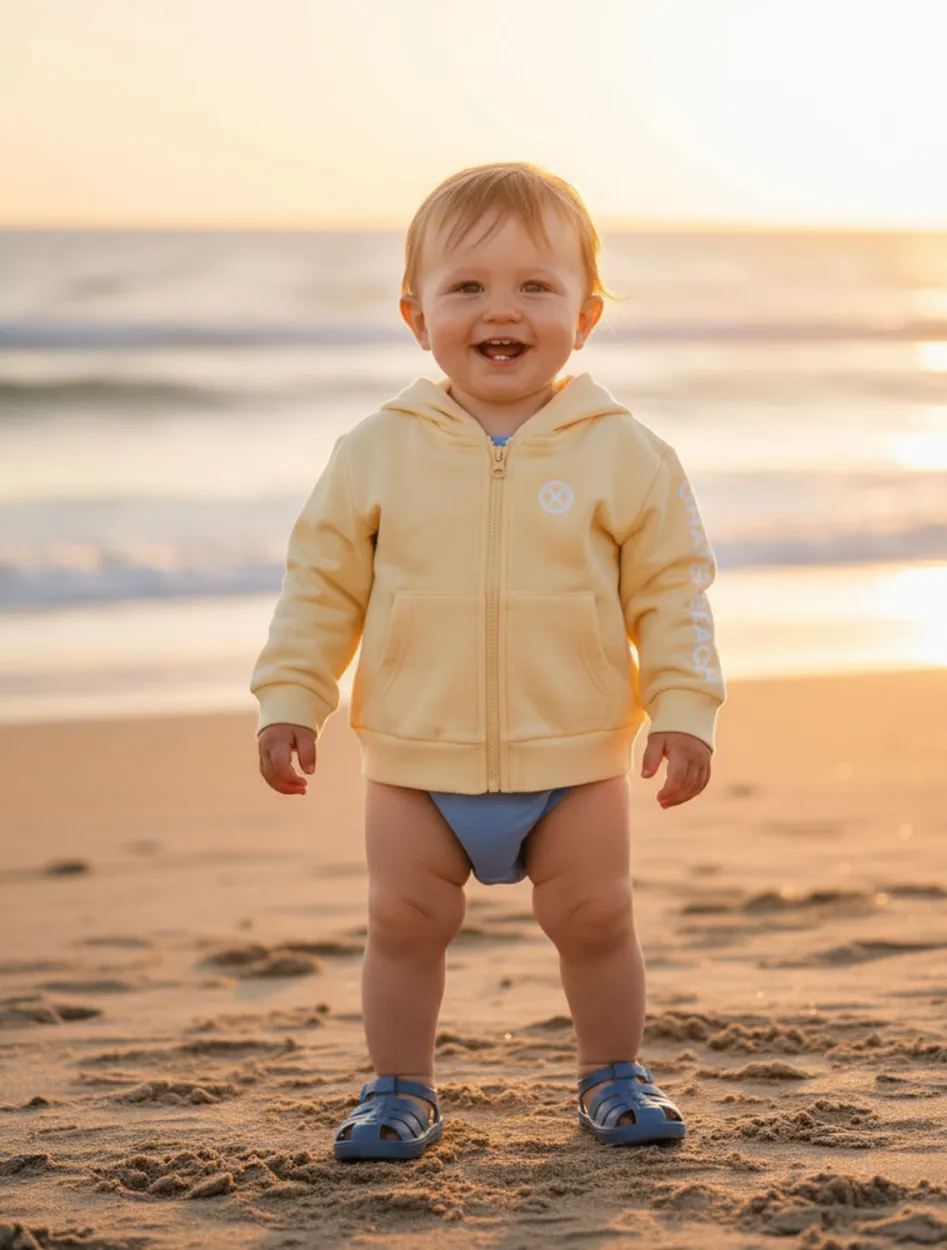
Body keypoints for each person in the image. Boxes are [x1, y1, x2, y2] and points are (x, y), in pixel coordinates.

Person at [250, 161, 725, 1161]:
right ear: (415, 315)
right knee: (402, 921)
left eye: (533, 286)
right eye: (465, 287)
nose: (499, 309)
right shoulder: (377, 449)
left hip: (577, 753)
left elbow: (672, 590)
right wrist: (292, 697)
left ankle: (612, 1070)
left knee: (597, 916)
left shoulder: (623, 451)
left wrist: (684, 708)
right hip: (418, 758)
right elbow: (321, 584)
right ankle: (398, 1084)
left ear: (585, 313)